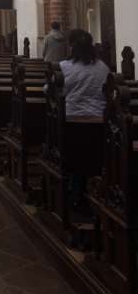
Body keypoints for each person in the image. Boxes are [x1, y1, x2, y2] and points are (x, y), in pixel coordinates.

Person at [58, 29, 111, 209]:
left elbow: (54, 91)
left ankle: (75, 191)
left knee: (75, 157)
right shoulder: (103, 67)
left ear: (71, 46)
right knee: (93, 157)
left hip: (72, 120)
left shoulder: (64, 67)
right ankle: (92, 190)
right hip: (99, 122)